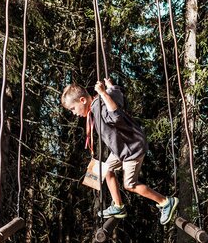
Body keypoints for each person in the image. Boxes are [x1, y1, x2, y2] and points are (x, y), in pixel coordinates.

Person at [61, 78, 178, 225]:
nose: (73, 113)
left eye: (72, 108)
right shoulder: (99, 100)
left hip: (131, 148)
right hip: (121, 149)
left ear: (83, 100)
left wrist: (104, 92)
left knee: (129, 184)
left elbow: (116, 116)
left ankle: (165, 201)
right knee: (104, 170)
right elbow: (117, 93)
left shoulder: (99, 107)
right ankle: (118, 206)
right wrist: (109, 87)